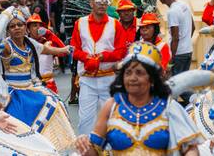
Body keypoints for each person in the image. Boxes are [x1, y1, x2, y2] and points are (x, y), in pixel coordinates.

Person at [74, 42, 202, 155]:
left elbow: (191, 149)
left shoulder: (169, 107)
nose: (132, 78)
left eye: (139, 73)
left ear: (152, 79)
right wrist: (84, 144)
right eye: (128, 72)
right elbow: (94, 152)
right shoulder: (111, 106)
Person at [0, 7, 75, 150]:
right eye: (12, 26)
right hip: (12, 91)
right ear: (8, 30)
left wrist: (64, 50)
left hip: (31, 87)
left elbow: (47, 50)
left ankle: (46, 147)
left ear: (25, 27)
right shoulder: (6, 46)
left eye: (19, 25)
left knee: (55, 103)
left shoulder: (29, 43)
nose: (16, 28)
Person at [70, 0, 129, 135]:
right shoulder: (80, 23)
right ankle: (86, 148)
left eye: (105, 1)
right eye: (98, 1)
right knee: (85, 118)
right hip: (87, 78)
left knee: (111, 116)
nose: (102, 4)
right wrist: (86, 58)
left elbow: (121, 51)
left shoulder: (115, 24)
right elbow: (74, 49)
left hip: (108, 78)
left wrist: (103, 57)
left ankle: (110, 149)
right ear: (91, 4)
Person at [159, 0, 193, 78]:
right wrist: (186, 42)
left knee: (176, 84)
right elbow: (193, 27)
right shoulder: (184, 5)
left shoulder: (172, 12)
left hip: (179, 54)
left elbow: (175, 37)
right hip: (188, 50)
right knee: (184, 82)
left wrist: (172, 58)